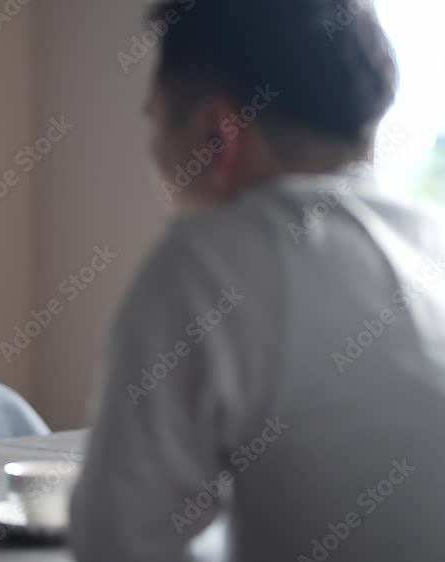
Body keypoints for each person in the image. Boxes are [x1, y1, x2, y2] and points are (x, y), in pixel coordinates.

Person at [71, 1, 445, 560]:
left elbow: (117, 543)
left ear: (219, 137)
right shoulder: (430, 239)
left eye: (154, 123)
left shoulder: (205, 265)